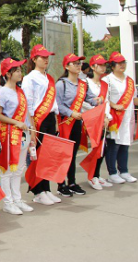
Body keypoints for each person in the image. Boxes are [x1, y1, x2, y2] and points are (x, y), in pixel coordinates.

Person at [0, 58, 37, 215]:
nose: (20, 73)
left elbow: (28, 114)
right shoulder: (2, 92)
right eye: (17, 70)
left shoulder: (20, 91)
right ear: (8, 74)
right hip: (10, 133)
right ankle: (8, 201)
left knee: (19, 168)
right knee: (7, 168)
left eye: (20, 70)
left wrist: (31, 130)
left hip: (23, 133)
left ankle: (17, 199)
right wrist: (15, 122)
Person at [55, 53, 101, 197]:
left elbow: (90, 99)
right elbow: (58, 105)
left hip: (77, 123)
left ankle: (72, 182)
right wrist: (70, 113)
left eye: (79, 63)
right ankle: (61, 184)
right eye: (74, 63)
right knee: (64, 154)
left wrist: (97, 100)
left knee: (73, 154)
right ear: (67, 66)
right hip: (64, 123)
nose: (78, 66)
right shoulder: (61, 84)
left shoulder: (83, 84)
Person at [21, 44, 62, 206]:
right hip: (38, 120)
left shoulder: (49, 78)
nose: (46, 60)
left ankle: (46, 189)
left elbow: (54, 103)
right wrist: (31, 125)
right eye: (42, 57)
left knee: (48, 156)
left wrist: (57, 121)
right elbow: (28, 103)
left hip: (50, 118)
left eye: (47, 57)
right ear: (34, 59)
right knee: (38, 156)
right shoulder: (30, 78)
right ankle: (37, 191)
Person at [102, 52, 138, 184]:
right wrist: (114, 105)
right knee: (114, 145)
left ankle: (124, 171)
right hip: (115, 117)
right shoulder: (107, 80)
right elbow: (104, 99)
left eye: (123, 62)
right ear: (112, 66)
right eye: (118, 63)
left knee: (124, 145)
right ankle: (112, 173)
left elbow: (133, 98)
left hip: (127, 117)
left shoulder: (129, 80)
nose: (122, 65)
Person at [83, 54, 113, 190]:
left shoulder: (104, 84)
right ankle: (91, 176)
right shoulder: (85, 83)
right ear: (93, 67)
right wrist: (97, 115)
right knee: (96, 147)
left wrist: (106, 116)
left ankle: (96, 174)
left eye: (104, 65)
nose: (103, 67)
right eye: (100, 65)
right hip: (90, 119)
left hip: (102, 119)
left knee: (102, 148)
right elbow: (83, 102)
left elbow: (106, 102)